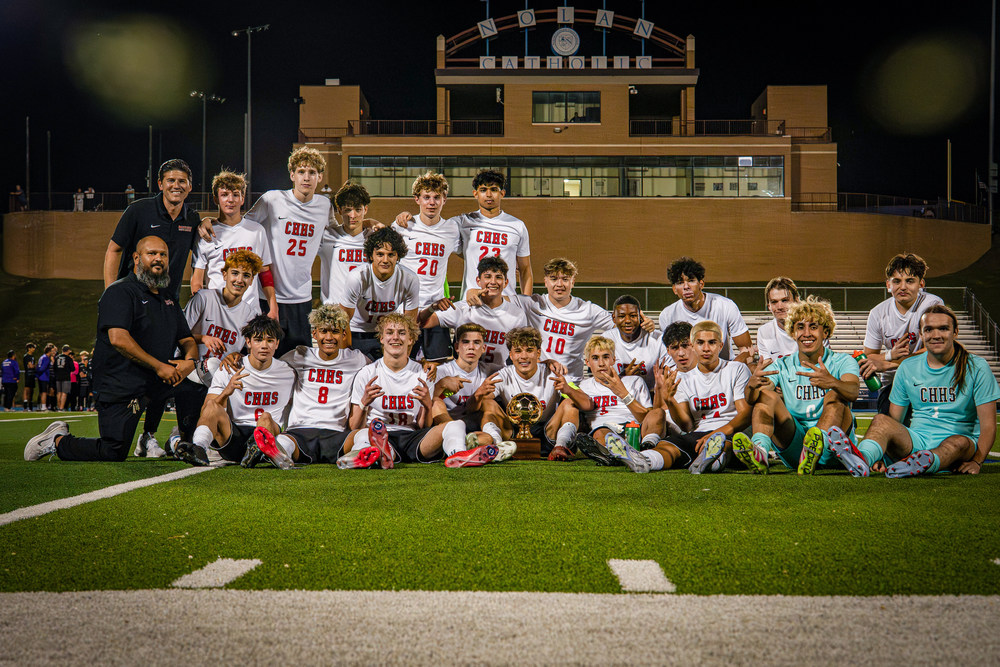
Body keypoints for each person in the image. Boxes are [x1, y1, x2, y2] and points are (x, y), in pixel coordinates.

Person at [25, 237, 204, 463]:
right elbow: (118, 339)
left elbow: (187, 339)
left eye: (164, 254)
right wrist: (160, 366)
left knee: (196, 381)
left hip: (155, 380)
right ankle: (56, 441)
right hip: (122, 385)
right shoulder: (120, 292)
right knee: (113, 451)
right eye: (152, 254)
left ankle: (188, 444)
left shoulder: (167, 298)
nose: (159, 259)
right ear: (136, 258)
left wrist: (190, 362)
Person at [829, 305, 1000, 478]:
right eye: (929, 329)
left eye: (943, 328)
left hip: (961, 442)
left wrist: (977, 461)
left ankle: (927, 462)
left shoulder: (976, 367)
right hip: (918, 440)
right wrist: (882, 454)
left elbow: (988, 425)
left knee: (958, 442)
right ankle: (862, 459)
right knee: (881, 420)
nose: (936, 335)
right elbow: (894, 420)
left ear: (955, 332)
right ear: (921, 334)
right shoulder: (907, 367)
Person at [337, 314, 497, 469]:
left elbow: (423, 426)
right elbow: (354, 426)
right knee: (362, 435)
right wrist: (364, 403)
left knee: (455, 425)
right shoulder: (367, 373)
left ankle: (459, 455)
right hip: (378, 432)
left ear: (411, 339)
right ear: (381, 338)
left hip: (412, 437)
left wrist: (427, 406)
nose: (395, 337)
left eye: (402, 333)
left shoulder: (423, 373)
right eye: (389, 332)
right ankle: (373, 453)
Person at [742, 297, 860, 475]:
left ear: (825, 332)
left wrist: (833, 383)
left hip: (830, 450)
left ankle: (816, 447)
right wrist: (751, 386)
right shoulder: (782, 365)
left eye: (813, 327)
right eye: (800, 327)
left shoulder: (843, 360)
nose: (806, 333)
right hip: (796, 447)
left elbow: (853, 391)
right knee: (766, 396)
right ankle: (760, 451)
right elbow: (753, 399)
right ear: (792, 332)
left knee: (835, 395)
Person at [239, 147, 332, 356]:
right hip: (269, 296)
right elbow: (242, 226)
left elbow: (339, 230)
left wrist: (369, 222)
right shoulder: (272, 199)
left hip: (302, 297)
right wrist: (211, 221)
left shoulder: (325, 205)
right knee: (262, 356)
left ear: (320, 177)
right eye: (301, 172)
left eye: (312, 173)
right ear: (292, 175)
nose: (306, 178)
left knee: (300, 360)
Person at [174, 315, 297, 468]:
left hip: (267, 438)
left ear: (277, 344)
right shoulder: (229, 368)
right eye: (258, 340)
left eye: (270, 340)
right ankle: (198, 448)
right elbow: (207, 409)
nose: (264, 345)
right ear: (248, 342)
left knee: (265, 418)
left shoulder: (289, 372)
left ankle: (258, 449)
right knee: (213, 405)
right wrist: (227, 391)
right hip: (234, 435)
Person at [397, 169, 531, 297]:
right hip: (472, 301)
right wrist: (408, 216)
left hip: (505, 299)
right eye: (483, 190)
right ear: (475, 194)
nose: (489, 195)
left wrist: (527, 303)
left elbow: (525, 270)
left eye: (494, 190)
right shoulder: (462, 222)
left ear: (502, 193)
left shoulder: (517, 226)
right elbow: (432, 226)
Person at [270, 305, 370, 466]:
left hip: (336, 434)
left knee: (365, 434)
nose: (329, 337)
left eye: (335, 331)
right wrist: (236, 356)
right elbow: (268, 365)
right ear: (314, 333)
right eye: (324, 331)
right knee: (283, 440)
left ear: (344, 334)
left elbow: (382, 368)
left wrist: (422, 363)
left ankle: (354, 458)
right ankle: (280, 455)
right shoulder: (299, 355)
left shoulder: (356, 358)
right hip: (300, 431)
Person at [566, 335, 677, 474]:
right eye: (595, 358)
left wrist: (623, 393)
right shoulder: (583, 387)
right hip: (605, 430)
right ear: (587, 362)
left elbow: (648, 417)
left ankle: (644, 450)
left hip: (635, 429)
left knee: (658, 413)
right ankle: (618, 453)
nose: (601, 363)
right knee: (601, 434)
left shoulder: (634, 381)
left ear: (613, 359)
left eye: (606, 357)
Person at [104, 159, 202, 302]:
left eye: (182, 181)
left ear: (189, 186)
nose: (176, 186)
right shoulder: (138, 211)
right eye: (171, 180)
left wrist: (207, 221)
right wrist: (110, 294)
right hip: (133, 299)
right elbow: (114, 250)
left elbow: (201, 258)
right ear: (160, 184)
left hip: (168, 302)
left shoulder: (192, 219)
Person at [858, 253, 944, 416]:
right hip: (893, 384)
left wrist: (890, 363)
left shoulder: (932, 304)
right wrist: (890, 354)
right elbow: (869, 357)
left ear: (921, 284)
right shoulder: (877, 313)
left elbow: (933, 351)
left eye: (910, 281)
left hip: (928, 381)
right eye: (896, 281)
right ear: (888, 285)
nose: (902, 287)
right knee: (885, 428)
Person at [661, 320, 752, 474]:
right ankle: (646, 460)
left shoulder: (736, 369)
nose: (706, 348)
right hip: (700, 434)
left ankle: (712, 462)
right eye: (700, 343)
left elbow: (745, 414)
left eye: (712, 343)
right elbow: (687, 426)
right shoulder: (683, 378)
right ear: (693, 345)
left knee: (726, 445)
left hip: (731, 431)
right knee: (667, 445)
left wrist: (719, 433)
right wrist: (669, 401)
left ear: (721, 345)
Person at [392, 172, 464, 364]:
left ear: (444, 200)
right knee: (402, 364)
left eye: (436, 197)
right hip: (405, 309)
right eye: (426, 197)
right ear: (417, 199)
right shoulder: (403, 226)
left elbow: (471, 254)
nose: (431, 202)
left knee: (438, 367)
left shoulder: (452, 229)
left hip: (436, 311)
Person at [478, 326, 580, 460]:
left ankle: (560, 447)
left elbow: (587, 403)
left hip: (548, 431)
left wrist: (569, 390)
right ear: (511, 355)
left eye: (529, 350)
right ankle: (498, 447)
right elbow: (478, 405)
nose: (523, 356)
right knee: (487, 403)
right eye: (518, 351)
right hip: (513, 434)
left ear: (538, 353)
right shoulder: (504, 375)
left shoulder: (553, 371)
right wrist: (479, 394)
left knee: (570, 403)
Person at [190, 171, 277, 320]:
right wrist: (205, 310)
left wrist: (273, 307)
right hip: (218, 312)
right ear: (216, 199)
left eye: (236, 195)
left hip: (250, 313)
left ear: (243, 199)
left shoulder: (256, 231)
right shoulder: (205, 233)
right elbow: (197, 281)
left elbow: (264, 272)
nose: (230, 200)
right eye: (224, 195)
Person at [510, 258, 613, 381]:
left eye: (565, 279)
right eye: (554, 279)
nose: (559, 284)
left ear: (572, 282)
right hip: (539, 380)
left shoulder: (588, 310)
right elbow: (496, 300)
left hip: (572, 381)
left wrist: (640, 319)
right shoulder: (532, 304)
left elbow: (621, 325)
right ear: (546, 282)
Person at [420, 257, 528, 374]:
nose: (493, 282)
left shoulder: (517, 314)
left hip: (499, 377)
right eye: (487, 276)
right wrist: (432, 308)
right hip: (464, 376)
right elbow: (422, 322)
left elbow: (522, 351)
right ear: (478, 281)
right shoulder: (462, 308)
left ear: (506, 282)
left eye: (498, 277)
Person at [429, 323, 516, 462]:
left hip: (474, 424)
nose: (471, 347)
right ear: (457, 347)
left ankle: (489, 445)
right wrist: (442, 386)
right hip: (447, 424)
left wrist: (547, 362)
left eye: (476, 343)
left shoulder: (492, 370)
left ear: (483, 348)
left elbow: (519, 368)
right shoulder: (441, 371)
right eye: (466, 342)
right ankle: (464, 444)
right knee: (436, 402)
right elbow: (426, 404)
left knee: (489, 411)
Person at [340, 226, 419, 359]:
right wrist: (346, 356)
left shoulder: (409, 279)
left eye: (391, 254)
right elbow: (343, 321)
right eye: (380, 254)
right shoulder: (357, 277)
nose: (385, 260)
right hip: (357, 332)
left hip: (388, 334)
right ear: (371, 255)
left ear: (398, 255)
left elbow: (410, 325)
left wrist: (405, 358)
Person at [657, 257, 752, 363]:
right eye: (680, 282)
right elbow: (670, 354)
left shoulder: (725, 306)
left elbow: (747, 350)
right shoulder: (667, 315)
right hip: (688, 372)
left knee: (752, 369)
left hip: (723, 368)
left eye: (691, 281)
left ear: (701, 284)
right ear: (674, 289)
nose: (686, 287)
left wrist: (729, 372)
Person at [604, 294, 668, 395]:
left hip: (653, 395)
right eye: (621, 316)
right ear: (614, 318)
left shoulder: (658, 339)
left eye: (633, 316)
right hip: (617, 395)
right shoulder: (606, 339)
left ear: (640, 317)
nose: (628, 321)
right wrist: (624, 377)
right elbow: (597, 375)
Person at [757, 277, 804, 362]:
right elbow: (768, 369)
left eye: (785, 300)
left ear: (797, 301)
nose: (780, 307)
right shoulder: (764, 332)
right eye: (774, 302)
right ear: (769, 306)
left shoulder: (813, 328)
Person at [53, 345, 74, 411]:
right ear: (68, 351)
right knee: (64, 393)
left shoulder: (56, 357)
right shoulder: (68, 358)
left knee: (59, 392)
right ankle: (61, 408)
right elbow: (72, 368)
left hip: (58, 377)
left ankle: (58, 406)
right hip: (66, 377)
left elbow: (54, 368)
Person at [36, 344, 54, 411]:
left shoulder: (42, 357)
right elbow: (42, 368)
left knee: (41, 392)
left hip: (40, 377)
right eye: (52, 351)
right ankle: (43, 406)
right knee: (44, 392)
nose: (53, 353)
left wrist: (37, 375)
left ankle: (41, 406)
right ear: (49, 351)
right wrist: (43, 374)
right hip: (44, 377)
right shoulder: (46, 358)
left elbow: (38, 367)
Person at [22, 342, 36, 411]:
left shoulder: (32, 356)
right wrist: (35, 366)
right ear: (29, 348)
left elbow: (32, 365)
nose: (34, 349)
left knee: (31, 390)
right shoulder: (26, 356)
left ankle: (30, 405)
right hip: (28, 375)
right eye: (33, 348)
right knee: (27, 389)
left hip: (32, 375)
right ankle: (25, 405)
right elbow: (30, 366)